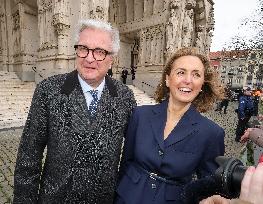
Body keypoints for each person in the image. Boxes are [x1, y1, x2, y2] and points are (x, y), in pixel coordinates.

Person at [13, 19, 136, 203]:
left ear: (112, 59)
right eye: (83, 48)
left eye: (99, 51)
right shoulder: (49, 90)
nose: (89, 58)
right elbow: (29, 158)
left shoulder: (124, 96)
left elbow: (133, 155)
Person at [114, 47, 225, 204]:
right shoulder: (139, 115)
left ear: (202, 85)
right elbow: (126, 162)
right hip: (126, 198)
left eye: (196, 74)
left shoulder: (212, 133)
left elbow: (209, 187)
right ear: (167, 79)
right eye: (181, 72)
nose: (188, 80)